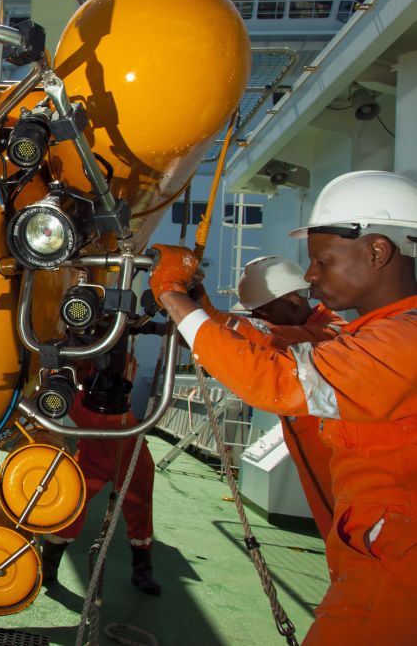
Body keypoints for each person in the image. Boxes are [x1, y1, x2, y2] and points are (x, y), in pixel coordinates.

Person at [148, 170, 417, 643]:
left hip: (394, 568)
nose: (311, 276)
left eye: (322, 261)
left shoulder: (401, 340)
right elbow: (267, 345)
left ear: (377, 251)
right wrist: (200, 308)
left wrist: (174, 298)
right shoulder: (377, 334)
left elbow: (275, 371)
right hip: (368, 546)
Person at [194, 256, 344, 539]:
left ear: (294, 300)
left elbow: (273, 338)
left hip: (342, 480)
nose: (261, 320)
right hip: (321, 478)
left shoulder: (335, 334)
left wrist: (206, 314)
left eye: (262, 312)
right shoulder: (309, 329)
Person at [42, 357, 162, 596]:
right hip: (93, 453)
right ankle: (48, 565)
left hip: (129, 449)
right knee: (70, 503)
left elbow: (124, 365)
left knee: (139, 506)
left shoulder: (122, 361)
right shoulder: (65, 382)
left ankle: (142, 569)